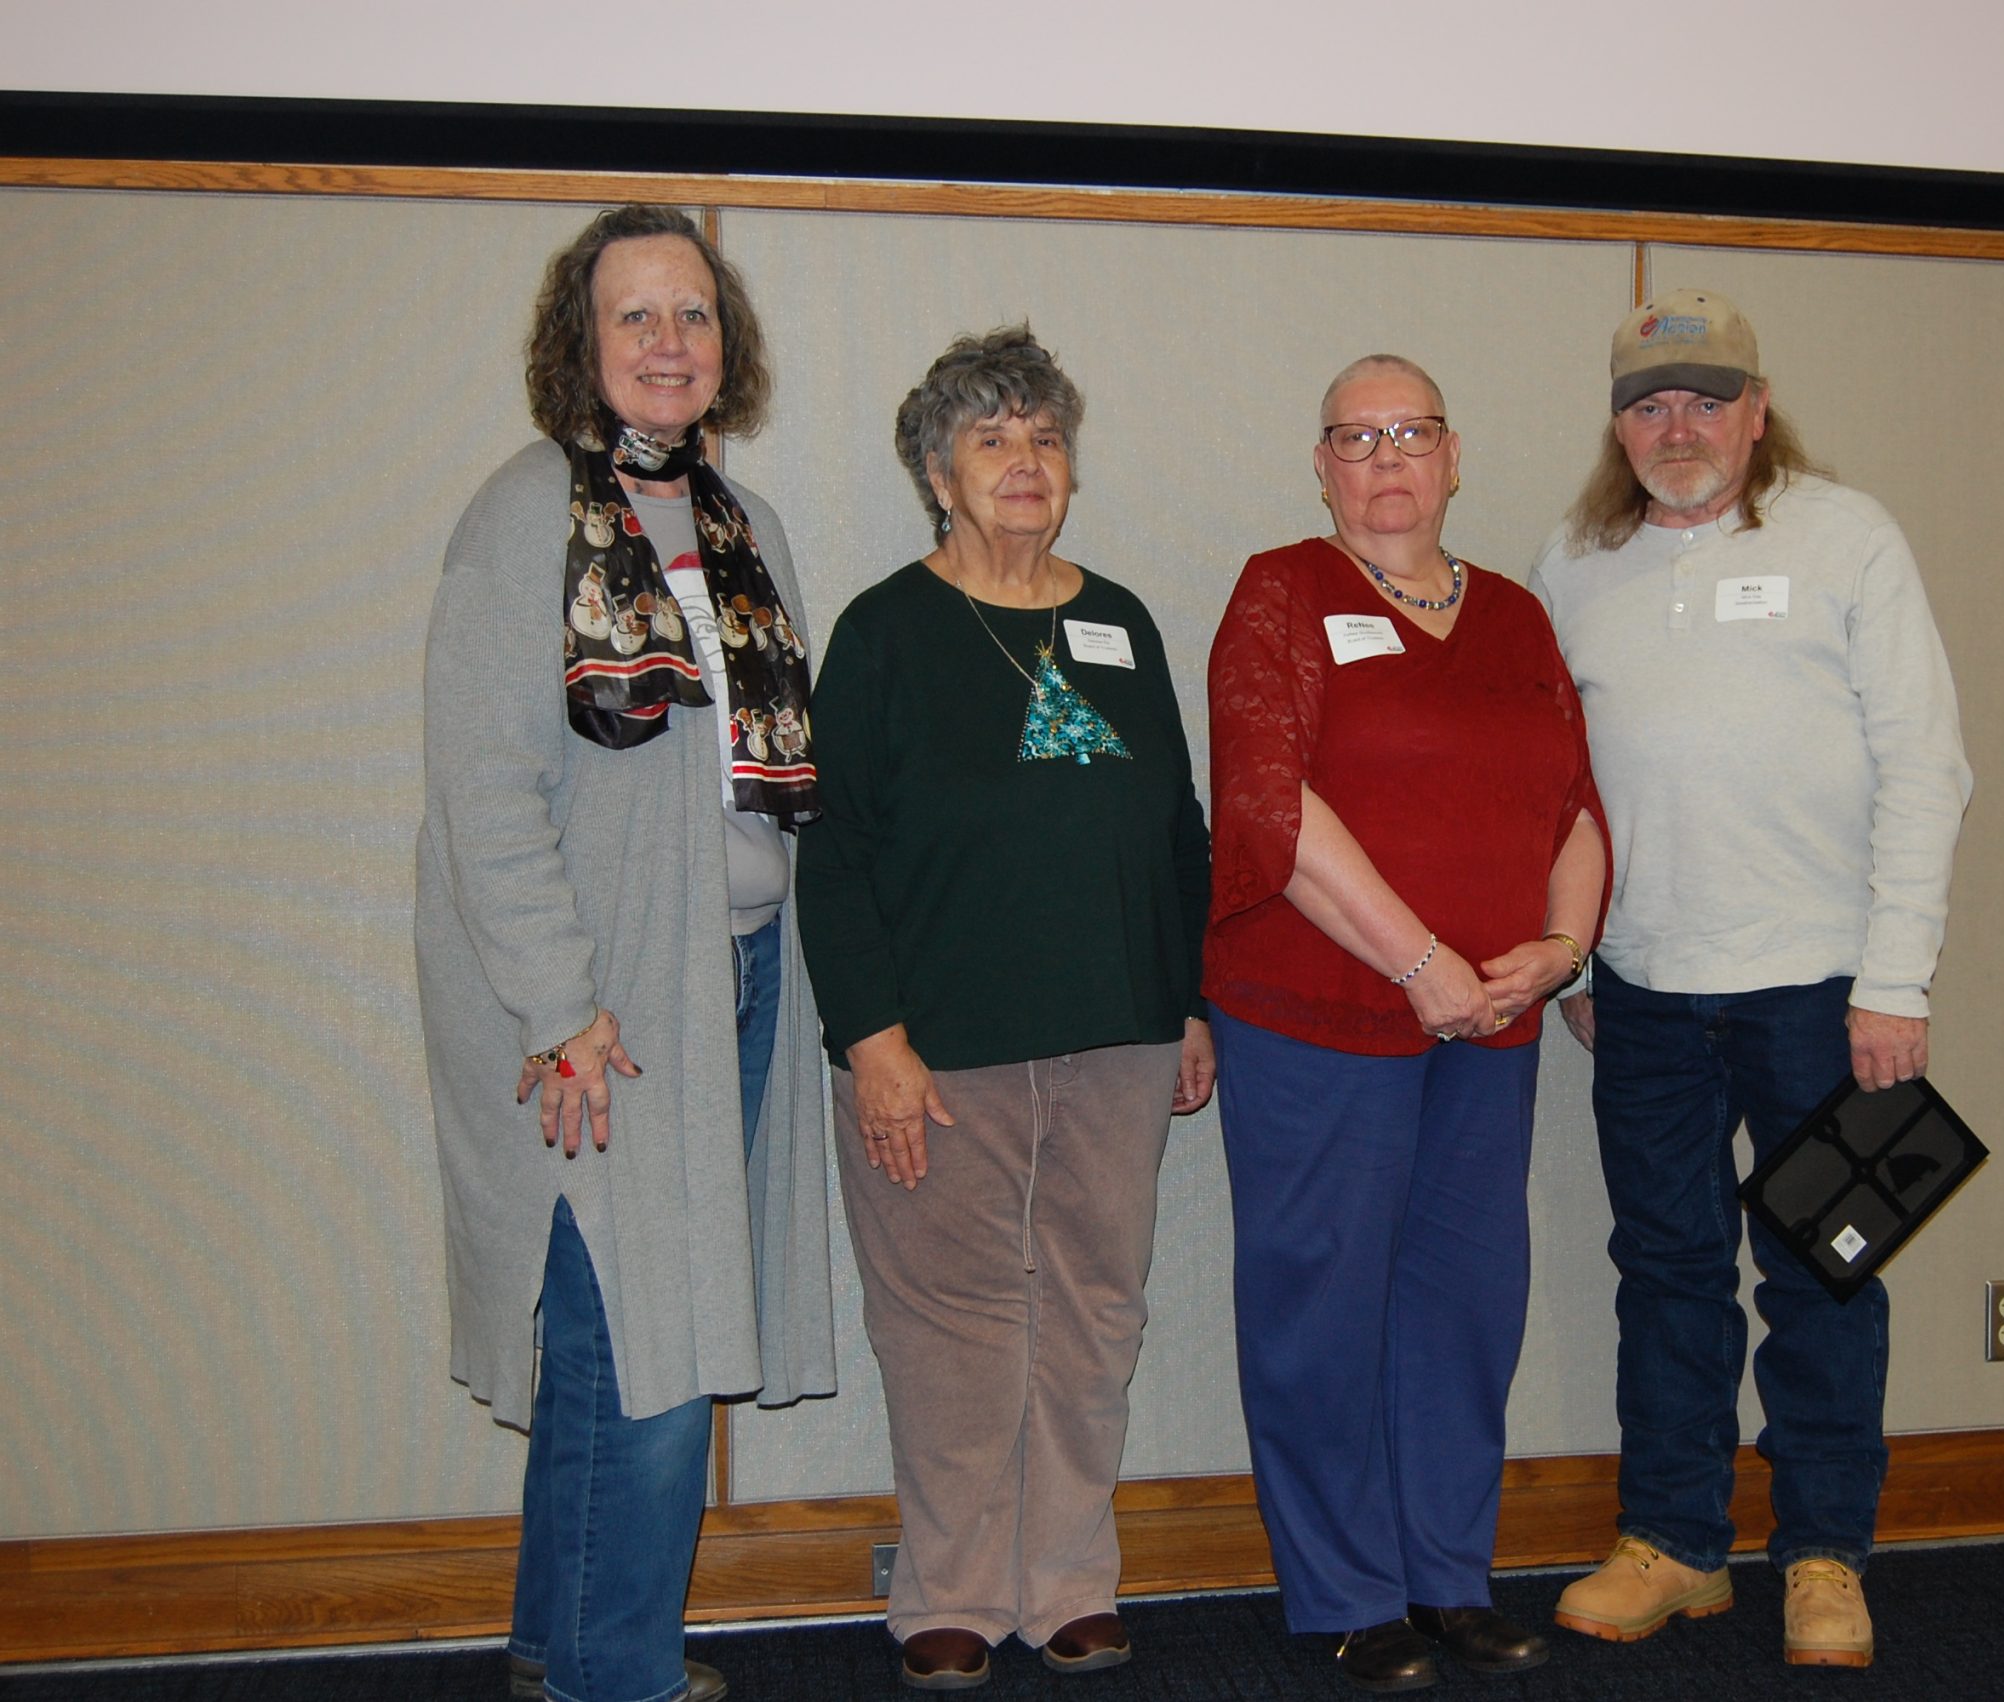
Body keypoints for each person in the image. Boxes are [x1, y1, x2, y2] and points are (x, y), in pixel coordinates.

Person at [415, 204, 837, 1702]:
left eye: (695, 313)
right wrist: (564, 1007)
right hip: (597, 1008)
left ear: (728, 346)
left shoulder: (742, 527)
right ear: (579, 346)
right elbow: (484, 788)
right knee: (639, 1346)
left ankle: (556, 1646)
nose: (670, 341)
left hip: (731, 977)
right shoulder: (527, 515)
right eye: (637, 316)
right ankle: (615, 1669)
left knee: (617, 1326)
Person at [1530, 289, 1973, 1669]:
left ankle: (1826, 1552)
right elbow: (1553, 792)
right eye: (1652, 402)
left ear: (1757, 407)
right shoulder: (1575, 559)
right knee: (1665, 1270)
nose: (1681, 425)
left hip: (1826, 993)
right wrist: (1580, 964)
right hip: (1646, 997)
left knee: (1827, 1273)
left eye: (1707, 398)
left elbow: (1928, 766)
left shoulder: (1848, 536)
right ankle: (1673, 1539)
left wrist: (1894, 979)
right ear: (1618, 421)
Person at [795, 325, 1215, 1692]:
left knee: (1097, 1310)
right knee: (954, 1327)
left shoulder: (1123, 620)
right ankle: (954, 1587)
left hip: (1121, 1034)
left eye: (1043, 437)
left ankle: (1069, 1582)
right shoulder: (884, 632)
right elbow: (837, 851)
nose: (1024, 462)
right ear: (936, 470)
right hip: (940, 1051)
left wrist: (1189, 997)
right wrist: (874, 1043)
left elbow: (1177, 830)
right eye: (992, 439)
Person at [1205, 354, 1609, 1694]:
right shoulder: (1282, 593)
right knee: (1321, 1303)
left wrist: (1557, 951)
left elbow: (1579, 811)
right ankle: (1342, 1587)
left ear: (1453, 457)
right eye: (1355, 436)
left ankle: (1447, 1576)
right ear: (1321, 467)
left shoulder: (1513, 615)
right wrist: (1423, 957)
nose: (1386, 457)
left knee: (1464, 1306)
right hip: (1318, 1017)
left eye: (1411, 432)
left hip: (1491, 1027)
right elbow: (1270, 806)